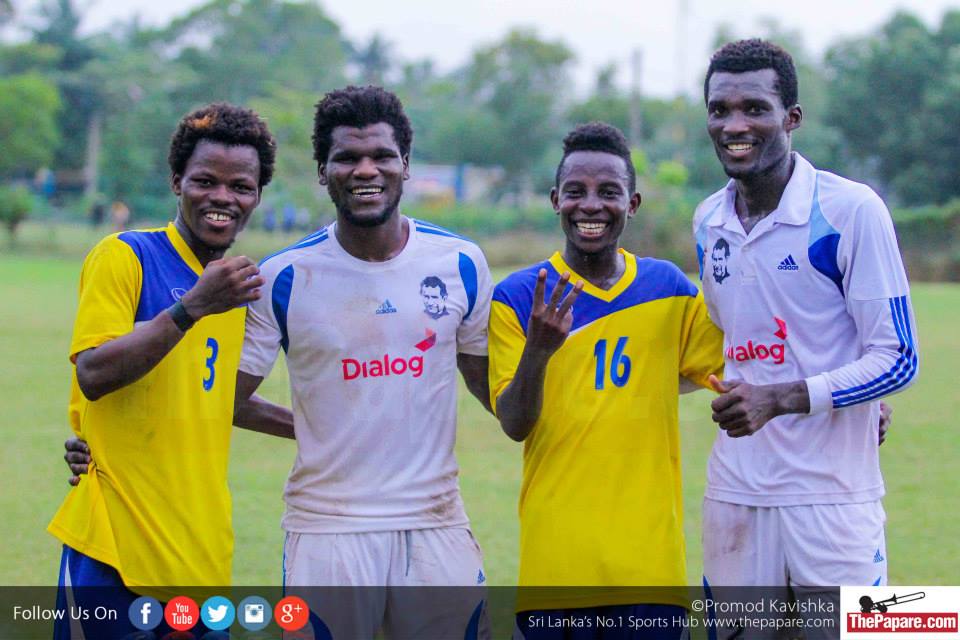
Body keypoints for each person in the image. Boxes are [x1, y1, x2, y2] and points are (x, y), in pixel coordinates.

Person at [233, 85, 493, 638]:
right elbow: (225, 399)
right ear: (323, 172)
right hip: (326, 528)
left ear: (406, 165)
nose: (365, 170)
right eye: (347, 157)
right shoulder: (282, 276)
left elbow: (492, 391)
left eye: (381, 155)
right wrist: (316, 427)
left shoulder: (461, 263)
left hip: (435, 523)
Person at [695, 39, 918, 633]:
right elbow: (739, 340)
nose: (734, 125)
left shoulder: (851, 211)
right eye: (719, 110)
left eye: (754, 108)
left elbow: (898, 357)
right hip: (736, 496)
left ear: (792, 117)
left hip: (833, 500)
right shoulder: (707, 221)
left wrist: (783, 398)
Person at [49, 103, 293, 639]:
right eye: (205, 181)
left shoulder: (236, 289)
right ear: (177, 181)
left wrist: (322, 428)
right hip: (114, 550)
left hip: (199, 555)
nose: (222, 197)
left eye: (241, 186)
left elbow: (222, 400)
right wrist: (192, 307)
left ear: (257, 195)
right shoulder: (125, 256)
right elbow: (94, 373)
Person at [488, 122, 725, 638]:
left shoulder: (669, 288)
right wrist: (539, 349)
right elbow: (514, 423)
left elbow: (749, 366)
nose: (591, 205)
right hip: (555, 571)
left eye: (609, 192)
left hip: (650, 574)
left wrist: (849, 401)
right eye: (576, 191)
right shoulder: (518, 296)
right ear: (556, 200)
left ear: (632, 203)